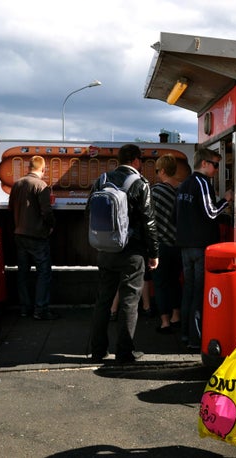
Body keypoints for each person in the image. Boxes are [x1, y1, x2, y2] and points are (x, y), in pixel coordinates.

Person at [88, 144, 159, 363]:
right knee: (129, 300)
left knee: (103, 300)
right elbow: (149, 221)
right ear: (136, 161)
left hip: (105, 249)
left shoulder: (102, 180)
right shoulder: (140, 184)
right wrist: (154, 252)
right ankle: (125, 352)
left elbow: (88, 211)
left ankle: (97, 350)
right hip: (132, 251)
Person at [176, 147, 233, 351]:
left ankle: (185, 334)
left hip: (185, 245)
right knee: (199, 292)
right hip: (200, 246)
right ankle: (195, 338)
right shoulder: (202, 183)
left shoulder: (184, 184)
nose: (217, 169)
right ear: (204, 164)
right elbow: (210, 213)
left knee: (189, 291)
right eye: (215, 165)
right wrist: (226, 199)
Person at [9, 155, 56, 320]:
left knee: (22, 273)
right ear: (43, 169)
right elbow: (46, 211)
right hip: (36, 235)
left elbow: (10, 208)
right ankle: (40, 310)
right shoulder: (41, 185)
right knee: (43, 272)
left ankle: (24, 309)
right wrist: (50, 226)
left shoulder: (17, 184)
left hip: (19, 234)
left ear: (28, 168)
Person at [152, 154, 185, 333]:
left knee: (161, 283)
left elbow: (149, 218)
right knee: (175, 281)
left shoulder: (156, 191)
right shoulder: (181, 190)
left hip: (161, 245)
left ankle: (165, 321)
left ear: (163, 171)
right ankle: (176, 315)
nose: (157, 174)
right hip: (179, 244)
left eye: (157, 171)